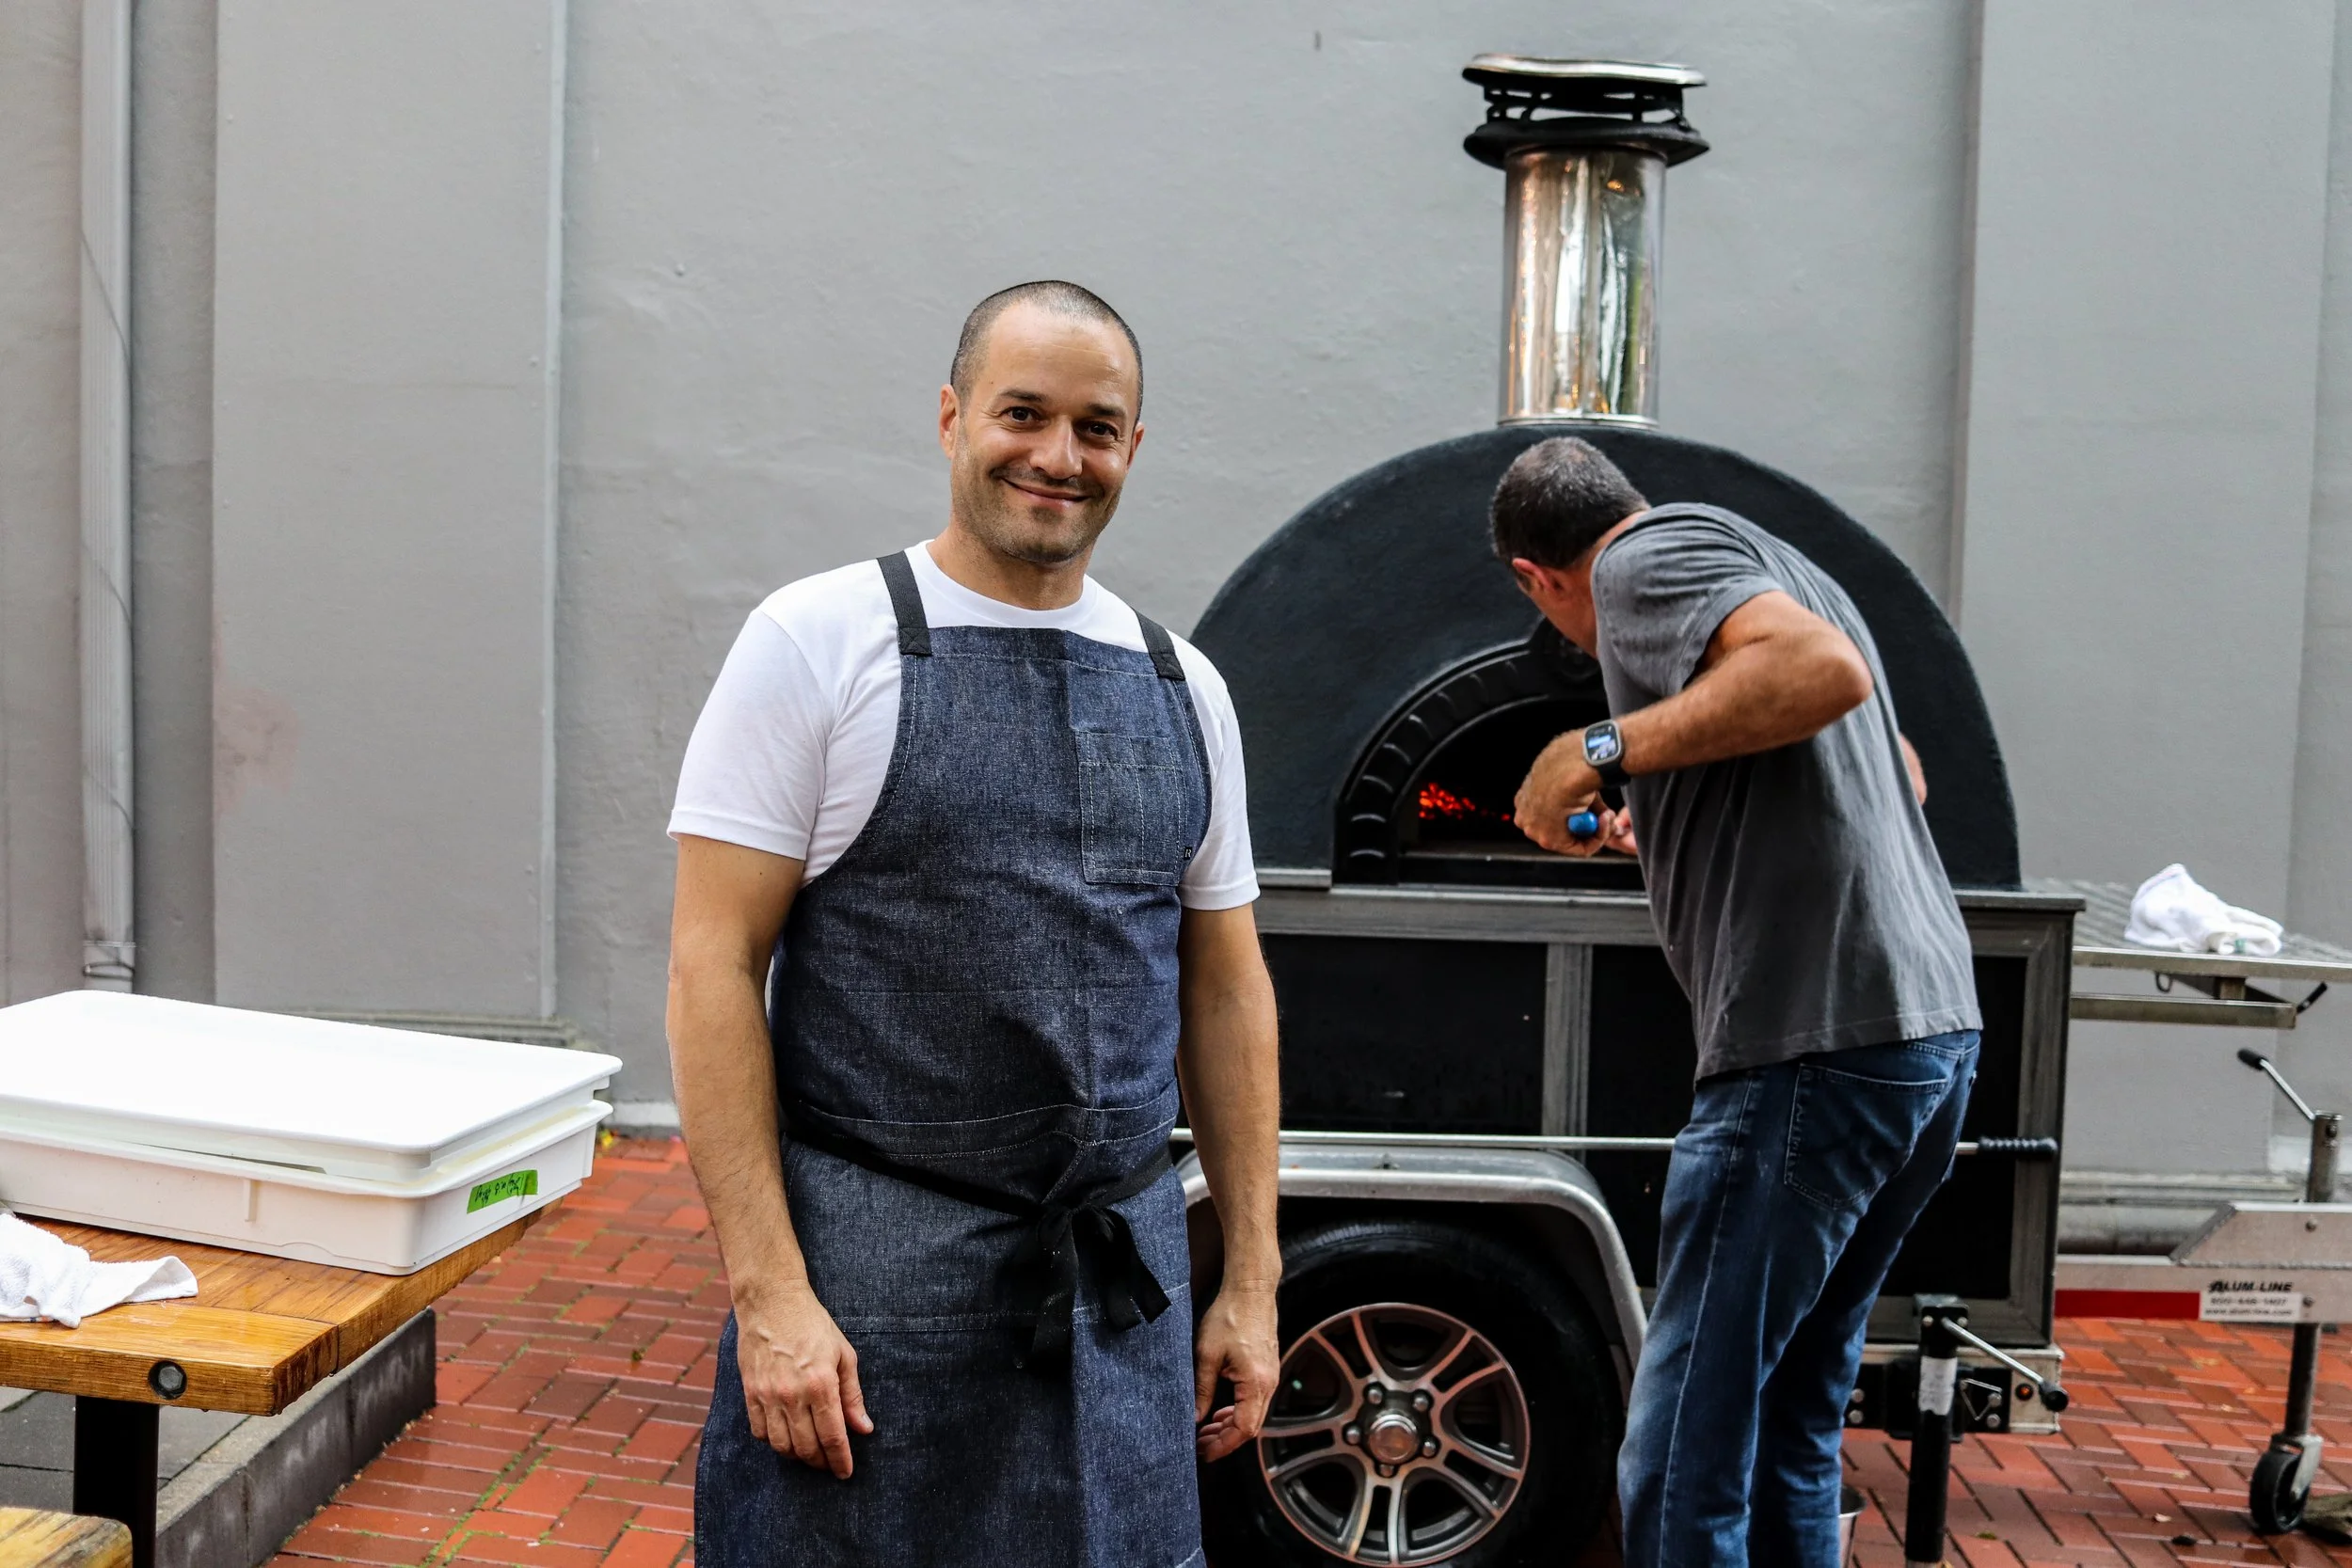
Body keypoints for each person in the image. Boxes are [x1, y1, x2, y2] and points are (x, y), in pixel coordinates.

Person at [666, 280, 1281, 1568]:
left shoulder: (1186, 685)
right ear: (952, 418)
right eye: (1022, 413)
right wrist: (769, 1291)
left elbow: (1226, 989)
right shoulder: (818, 640)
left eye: (1096, 428)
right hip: (868, 1292)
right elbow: (711, 966)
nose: (1059, 455)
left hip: (1116, 1294)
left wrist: (1251, 1277)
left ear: (1132, 448)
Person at [1495, 436, 1981, 1568]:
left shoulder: (1638, 563)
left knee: (1684, 1446)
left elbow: (1822, 676)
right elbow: (1897, 770)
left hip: (1811, 1039)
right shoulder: (1784, 564)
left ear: (1537, 577)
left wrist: (1597, 746)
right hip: (1925, 1028)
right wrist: (1680, 816)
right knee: (1790, 1418)